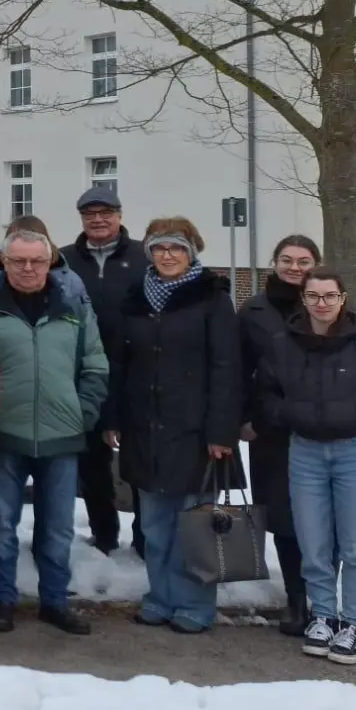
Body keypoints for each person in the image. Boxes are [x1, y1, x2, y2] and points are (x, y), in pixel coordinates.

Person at [258, 268, 356, 665]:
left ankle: (353, 623)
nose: (321, 303)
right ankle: (322, 616)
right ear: (303, 299)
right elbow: (265, 395)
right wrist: (291, 414)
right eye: (313, 296)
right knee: (314, 544)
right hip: (304, 454)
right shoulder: (283, 345)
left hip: (354, 453)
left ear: (342, 299)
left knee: (354, 546)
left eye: (329, 296)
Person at [104, 217, 242, 634]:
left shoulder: (212, 298)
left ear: (191, 252)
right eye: (159, 248)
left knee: (193, 525)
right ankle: (160, 597)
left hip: (195, 431)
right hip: (144, 427)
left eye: (176, 248)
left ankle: (194, 603)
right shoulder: (136, 298)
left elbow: (227, 367)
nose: (167, 256)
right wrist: (113, 417)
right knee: (155, 526)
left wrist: (221, 431)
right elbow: (119, 363)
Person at [0, 229, 107, 636]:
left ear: (50, 262)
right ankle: (2, 598)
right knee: (1, 524)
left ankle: (55, 601)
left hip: (62, 435)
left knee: (57, 528)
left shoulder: (72, 304)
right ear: (4, 262)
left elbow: (95, 362)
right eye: (18, 261)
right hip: (4, 433)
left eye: (36, 261)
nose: (28, 268)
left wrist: (83, 412)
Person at [238, 234, 320, 636]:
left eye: (303, 261)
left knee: (320, 517)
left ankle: (323, 598)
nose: (294, 268)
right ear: (274, 263)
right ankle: (296, 601)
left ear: (315, 265)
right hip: (271, 430)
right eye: (286, 260)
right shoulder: (253, 311)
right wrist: (244, 418)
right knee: (285, 519)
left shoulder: (328, 305)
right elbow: (237, 369)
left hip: (321, 429)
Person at [60, 186, 149, 556]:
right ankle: (104, 534)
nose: (98, 220)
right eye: (90, 214)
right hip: (82, 373)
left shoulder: (144, 256)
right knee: (92, 462)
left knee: (141, 460)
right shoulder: (63, 260)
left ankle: (145, 537)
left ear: (120, 215)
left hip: (137, 371)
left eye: (105, 213)